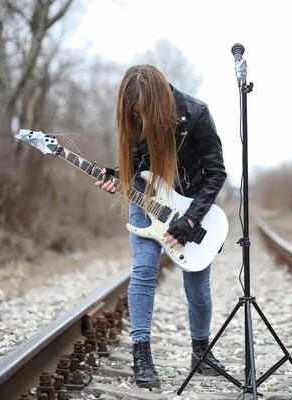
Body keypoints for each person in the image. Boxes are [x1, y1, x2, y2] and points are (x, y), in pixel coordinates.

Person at [94, 64, 227, 388]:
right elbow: (138, 167)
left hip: (190, 204)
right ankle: (142, 355)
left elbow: (216, 171)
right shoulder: (133, 119)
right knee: (144, 269)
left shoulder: (195, 114)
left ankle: (201, 352)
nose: (139, 120)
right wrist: (117, 178)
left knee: (197, 285)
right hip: (145, 198)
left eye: (143, 112)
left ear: (158, 101)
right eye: (134, 114)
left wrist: (192, 218)